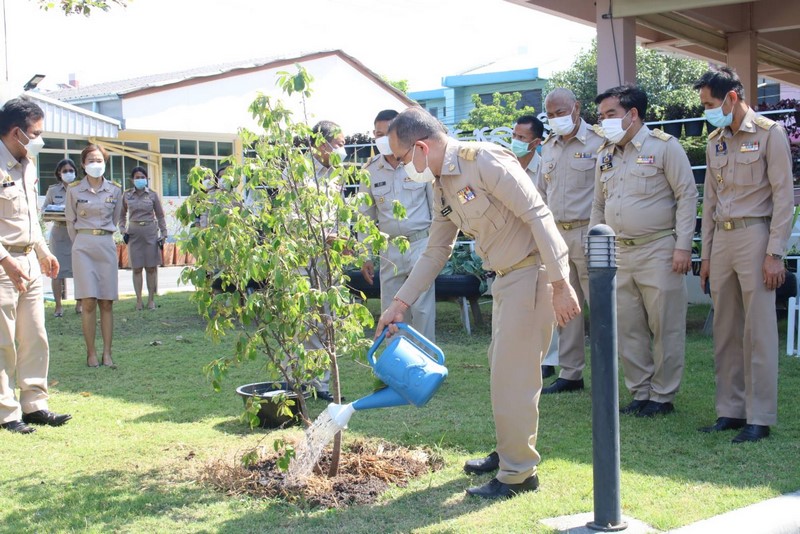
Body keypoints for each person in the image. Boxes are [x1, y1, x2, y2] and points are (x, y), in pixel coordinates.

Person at [377, 107, 580, 499]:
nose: (401, 167)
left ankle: (518, 474)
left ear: (421, 148)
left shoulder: (483, 160)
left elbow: (538, 215)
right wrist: (400, 303)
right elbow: (437, 249)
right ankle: (510, 451)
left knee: (514, 378)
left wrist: (560, 283)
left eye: (402, 158)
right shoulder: (441, 182)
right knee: (503, 372)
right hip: (504, 280)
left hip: (531, 274)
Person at [693, 66, 793, 443]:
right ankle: (730, 411)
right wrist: (705, 255)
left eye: (710, 104)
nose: (707, 111)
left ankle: (759, 417)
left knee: (759, 330)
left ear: (732, 98)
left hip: (756, 235)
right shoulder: (715, 140)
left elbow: (784, 197)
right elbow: (710, 201)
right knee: (725, 329)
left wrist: (775, 253)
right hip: (723, 239)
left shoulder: (769, 133)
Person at [590, 84, 698, 417]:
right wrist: (596, 247)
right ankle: (640, 392)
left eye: (611, 114)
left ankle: (662, 396)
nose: (604, 121)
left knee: (665, 325)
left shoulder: (665, 147)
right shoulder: (605, 154)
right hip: (619, 252)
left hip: (659, 249)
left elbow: (687, 196)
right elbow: (598, 204)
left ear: (633, 114)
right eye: (601, 116)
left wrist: (683, 246)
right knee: (628, 326)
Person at [0, 97, 71, 434]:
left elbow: (29, 215)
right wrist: (5, 260)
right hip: (3, 263)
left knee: (35, 336)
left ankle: (34, 405)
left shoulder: (27, 164)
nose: (39, 140)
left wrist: (42, 251)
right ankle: (6, 412)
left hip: (28, 258)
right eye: (36, 133)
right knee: (3, 341)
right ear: (17, 132)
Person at [537, 88, 605, 394]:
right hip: (558, 235)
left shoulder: (599, 141)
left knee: (600, 306)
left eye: (561, 113)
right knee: (564, 305)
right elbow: (540, 193)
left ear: (576, 108)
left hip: (589, 231)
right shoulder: (549, 147)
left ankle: (605, 371)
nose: (556, 119)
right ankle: (571, 372)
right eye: (551, 115)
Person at [359, 109, 436, 341]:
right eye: (378, 134)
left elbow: (436, 206)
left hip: (420, 243)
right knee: (391, 309)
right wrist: (365, 255)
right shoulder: (370, 170)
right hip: (389, 249)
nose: (383, 138)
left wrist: (437, 247)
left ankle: (425, 358)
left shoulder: (419, 162)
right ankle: (397, 359)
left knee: (422, 310)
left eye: (388, 133)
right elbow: (365, 216)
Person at [66, 144, 123, 368]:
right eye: (91, 160)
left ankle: (107, 352)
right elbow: (70, 222)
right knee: (88, 301)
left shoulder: (115, 190)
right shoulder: (74, 190)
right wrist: (81, 243)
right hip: (83, 246)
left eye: (99, 160)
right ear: (83, 164)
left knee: (106, 302)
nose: (95, 164)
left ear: (105, 163)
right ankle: (91, 353)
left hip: (106, 244)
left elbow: (115, 218)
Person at [510, 114, 558, 379]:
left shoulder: (545, 169)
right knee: (518, 303)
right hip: (513, 243)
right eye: (514, 135)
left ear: (536, 142)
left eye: (522, 137)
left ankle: (547, 360)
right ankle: (519, 355)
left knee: (545, 302)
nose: (515, 141)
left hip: (541, 242)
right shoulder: (506, 165)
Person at [121, 166, 168, 311]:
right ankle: (139, 300)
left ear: (146, 179)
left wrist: (164, 233)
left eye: (142, 177)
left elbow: (160, 215)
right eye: (137, 177)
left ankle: (151, 300)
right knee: (136, 268)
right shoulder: (127, 195)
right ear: (132, 180)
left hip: (150, 232)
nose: (140, 180)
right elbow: (121, 215)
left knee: (151, 268)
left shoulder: (152, 195)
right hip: (134, 233)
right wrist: (122, 230)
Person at [42, 158, 81, 317]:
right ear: (59, 173)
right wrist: (57, 210)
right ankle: (58, 306)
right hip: (59, 233)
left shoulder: (80, 189)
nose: (68, 173)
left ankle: (79, 304)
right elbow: (44, 212)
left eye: (71, 170)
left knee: (79, 270)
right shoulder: (53, 191)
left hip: (76, 234)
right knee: (56, 272)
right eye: (65, 171)